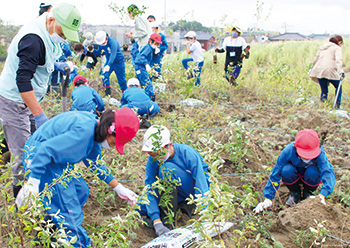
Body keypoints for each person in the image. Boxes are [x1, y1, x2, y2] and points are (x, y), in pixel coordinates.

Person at [16, 108, 139, 247]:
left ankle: (52, 227)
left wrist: (119, 188)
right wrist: (33, 181)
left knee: (81, 190)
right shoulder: (84, 133)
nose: (111, 147)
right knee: (70, 213)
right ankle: (75, 238)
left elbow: (95, 163)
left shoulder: (94, 128)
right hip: (40, 160)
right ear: (108, 130)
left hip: (55, 161)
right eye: (113, 143)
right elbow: (45, 150)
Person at [0, 3, 81, 198]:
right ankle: (24, 210)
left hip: (27, 101)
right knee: (24, 157)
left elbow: (39, 57)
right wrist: (39, 114)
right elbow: (22, 81)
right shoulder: (33, 40)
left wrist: (55, 64)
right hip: (14, 101)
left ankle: (7, 146)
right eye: (62, 34)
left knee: (33, 144)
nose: (62, 39)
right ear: (51, 18)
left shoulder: (47, 29)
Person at [137, 125, 210, 236]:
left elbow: (201, 182)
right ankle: (161, 218)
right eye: (152, 154)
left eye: (157, 153)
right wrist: (156, 221)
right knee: (140, 206)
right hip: (170, 189)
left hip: (190, 190)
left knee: (167, 170)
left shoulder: (187, 153)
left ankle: (169, 221)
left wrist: (205, 213)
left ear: (169, 146)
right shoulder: (152, 160)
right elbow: (149, 188)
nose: (155, 157)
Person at [253, 129, 336, 213]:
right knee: (287, 170)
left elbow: (328, 172)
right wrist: (268, 198)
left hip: (310, 177)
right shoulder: (288, 151)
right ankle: (295, 193)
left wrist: (322, 195)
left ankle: (308, 194)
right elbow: (275, 172)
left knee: (314, 172)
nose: (307, 157)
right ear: (295, 147)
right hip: (294, 175)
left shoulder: (320, 153)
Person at [309, 35, 345, 109]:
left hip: (319, 71)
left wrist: (312, 68)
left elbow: (315, 58)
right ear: (339, 42)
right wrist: (340, 72)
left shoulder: (322, 47)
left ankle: (323, 105)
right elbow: (338, 60)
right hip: (330, 70)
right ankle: (337, 105)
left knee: (324, 90)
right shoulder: (336, 48)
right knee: (338, 87)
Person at [95, 31, 127, 96]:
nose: (103, 44)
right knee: (104, 75)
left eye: (103, 42)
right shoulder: (101, 43)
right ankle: (108, 94)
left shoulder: (113, 42)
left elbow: (113, 54)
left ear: (106, 38)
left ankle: (125, 94)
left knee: (121, 80)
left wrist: (109, 65)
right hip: (109, 61)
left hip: (118, 62)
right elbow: (99, 52)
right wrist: (92, 51)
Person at [134, 33, 162, 101]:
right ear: (151, 41)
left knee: (141, 83)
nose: (157, 45)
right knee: (147, 83)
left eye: (158, 44)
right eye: (156, 43)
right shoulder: (148, 48)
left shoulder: (151, 49)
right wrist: (146, 64)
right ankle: (150, 100)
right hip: (140, 66)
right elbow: (141, 57)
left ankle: (142, 98)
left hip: (141, 67)